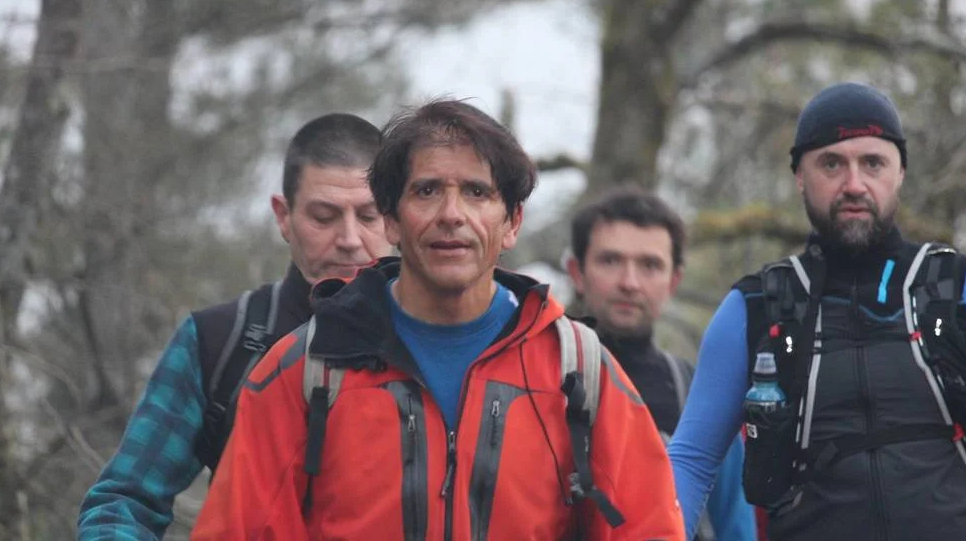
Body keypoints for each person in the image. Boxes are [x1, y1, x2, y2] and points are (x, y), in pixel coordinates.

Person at [190, 99, 684, 540]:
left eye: (476, 192)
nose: (451, 214)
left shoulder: (578, 370)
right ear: (390, 219)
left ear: (511, 222)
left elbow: (648, 528)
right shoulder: (304, 369)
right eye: (426, 190)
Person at [667, 82, 966, 541]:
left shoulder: (963, 289)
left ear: (900, 172)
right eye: (831, 163)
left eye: (873, 163)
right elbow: (691, 459)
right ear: (800, 176)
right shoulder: (754, 309)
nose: (854, 184)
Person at [77, 113, 390, 539]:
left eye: (369, 216)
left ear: (396, 218)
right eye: (324, 216)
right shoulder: (218, 341)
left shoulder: (440, 339)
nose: (350, 239)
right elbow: (124, 502)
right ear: (283, 216)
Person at [566, 188, 756, 541]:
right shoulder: (536, 376)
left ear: (674, 281)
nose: (629, 283)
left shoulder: (699, 394)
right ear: (577, 272)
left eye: (650, 265)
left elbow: (735, 526)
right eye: (610, 260)